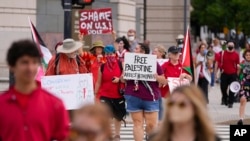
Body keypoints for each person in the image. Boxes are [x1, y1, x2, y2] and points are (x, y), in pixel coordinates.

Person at [0, 39, 69, 141]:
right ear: (12, 66)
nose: (30, 68)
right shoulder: (2, 104)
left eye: (34, 62)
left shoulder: (55, 104)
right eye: (24, 62)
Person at [123, 43, 166, 141]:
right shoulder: (129, 62)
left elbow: (164, 81)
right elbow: (123, 80)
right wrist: (124, 74)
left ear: (143, 51)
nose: (134, 50)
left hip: (150, 97)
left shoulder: (153, 63)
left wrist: (157, 77)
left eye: (136, 48)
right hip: (134, 95)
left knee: (151, 125)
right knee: (137, 123)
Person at [149, 85, 221, 141]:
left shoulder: (211, 139)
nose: (175, 108)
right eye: (171, 104)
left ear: (195, 109)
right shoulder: (155, 138)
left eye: (182, 105)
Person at [94, 45, 126, 141]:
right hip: (105, 95)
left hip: (118, 95)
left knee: (118, 117)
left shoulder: (121, 64)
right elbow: (98, 82)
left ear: (114, 54)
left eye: (111, 53)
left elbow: (126, 79)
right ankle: (106, 134)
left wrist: (119, 79)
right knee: (105, 116)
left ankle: (117, 135)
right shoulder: (102, 67)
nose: (109, 55)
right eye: (107, 54)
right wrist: (95, 95)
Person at [217, 40, 240, 108]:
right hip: (224, 73)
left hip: (233, 74)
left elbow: (237, 64)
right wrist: (220, 68)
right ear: (227, 46)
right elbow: (219, 61)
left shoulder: (236, 55)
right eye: (229, 45)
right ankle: (225, 98)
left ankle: (231, 102)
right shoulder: (223, 53)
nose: (230, 47)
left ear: (233, 46)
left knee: (232, 89)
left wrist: (237, 74)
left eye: (231, 46)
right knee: (223, 87)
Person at [152, 44, 168, 122]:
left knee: (160, 105)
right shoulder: (151, 60)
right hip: (153, 85)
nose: (153, 52)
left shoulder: (166, 62)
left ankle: (160, 121)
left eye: (155, 51)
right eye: (153, 51)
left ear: (161, 53)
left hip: (162, 85)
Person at [237, 49, 250, 125]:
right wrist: (239, 69)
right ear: (244, 56)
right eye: (247, 55)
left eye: (249, 55)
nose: (248, 56)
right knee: (242, 100)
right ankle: (241, 119)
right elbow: (238, 75)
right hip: (244, 84)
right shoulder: (242, 64)